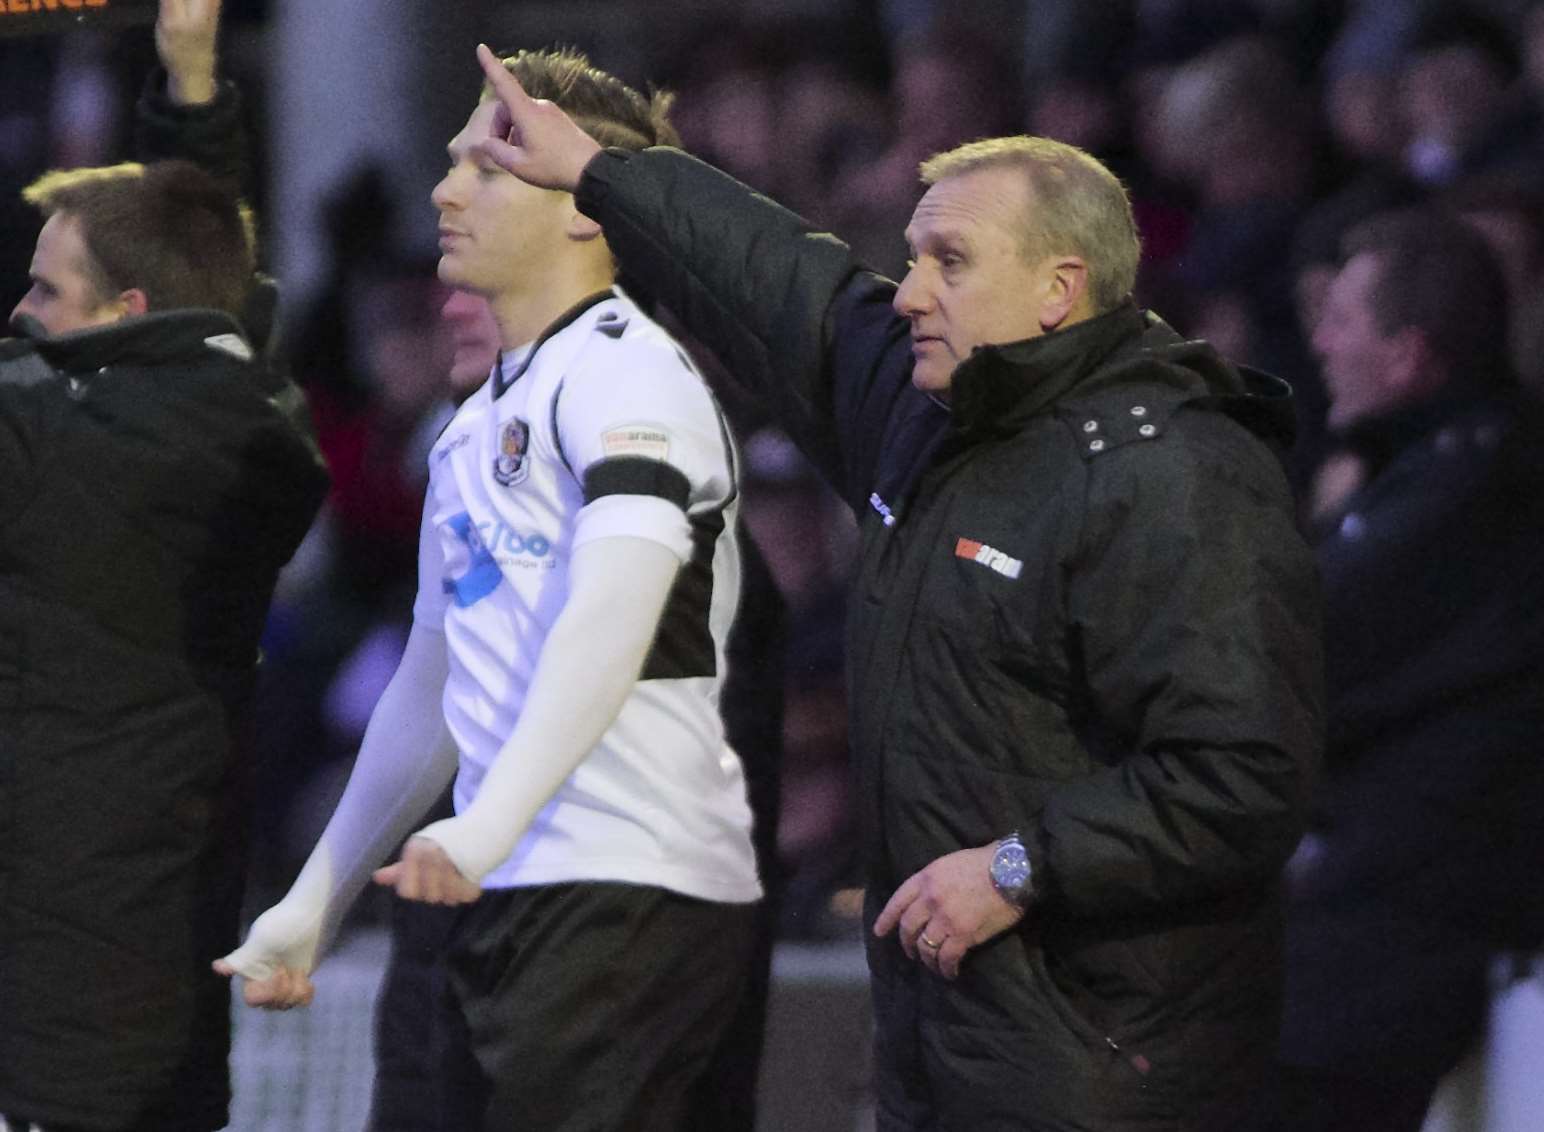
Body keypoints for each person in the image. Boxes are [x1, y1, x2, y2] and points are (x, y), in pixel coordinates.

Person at [474, 44, 1322, 1130]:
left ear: (1059, 287)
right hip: (945, 1052)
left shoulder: (1176, 476)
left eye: (948, 261)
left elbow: (1243, 772)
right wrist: (597, 168)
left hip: (1113, 1074)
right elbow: (780, 278)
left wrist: (1020, 868)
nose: (909, 290)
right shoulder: (933, 409)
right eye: (914, 256)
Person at [217, 49, 762, 1132]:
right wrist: (317, 895)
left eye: (487, 167)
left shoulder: (630, 374)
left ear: (586, 211)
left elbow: (616, 606)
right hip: (506, 889)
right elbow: (433, 680)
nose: (443, 190)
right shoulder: (475, 423)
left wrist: (490, 818)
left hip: (624, 892)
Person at [0, 158, 328, 1132]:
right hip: (152, 959)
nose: (19, 313)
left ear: (127, 313)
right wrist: (192, 114)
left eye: (47, 291)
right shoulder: (251, 411)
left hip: (67, 992)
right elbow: (209, 289)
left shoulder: (66, 440)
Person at [1273, 209, 1544, 1132]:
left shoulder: (1467, 495)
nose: (1319, 343)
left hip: (1397, 939)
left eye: (1343, 321)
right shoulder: (1422, 476)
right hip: (1367, 914)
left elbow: (1292, 653)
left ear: (1408, 355)